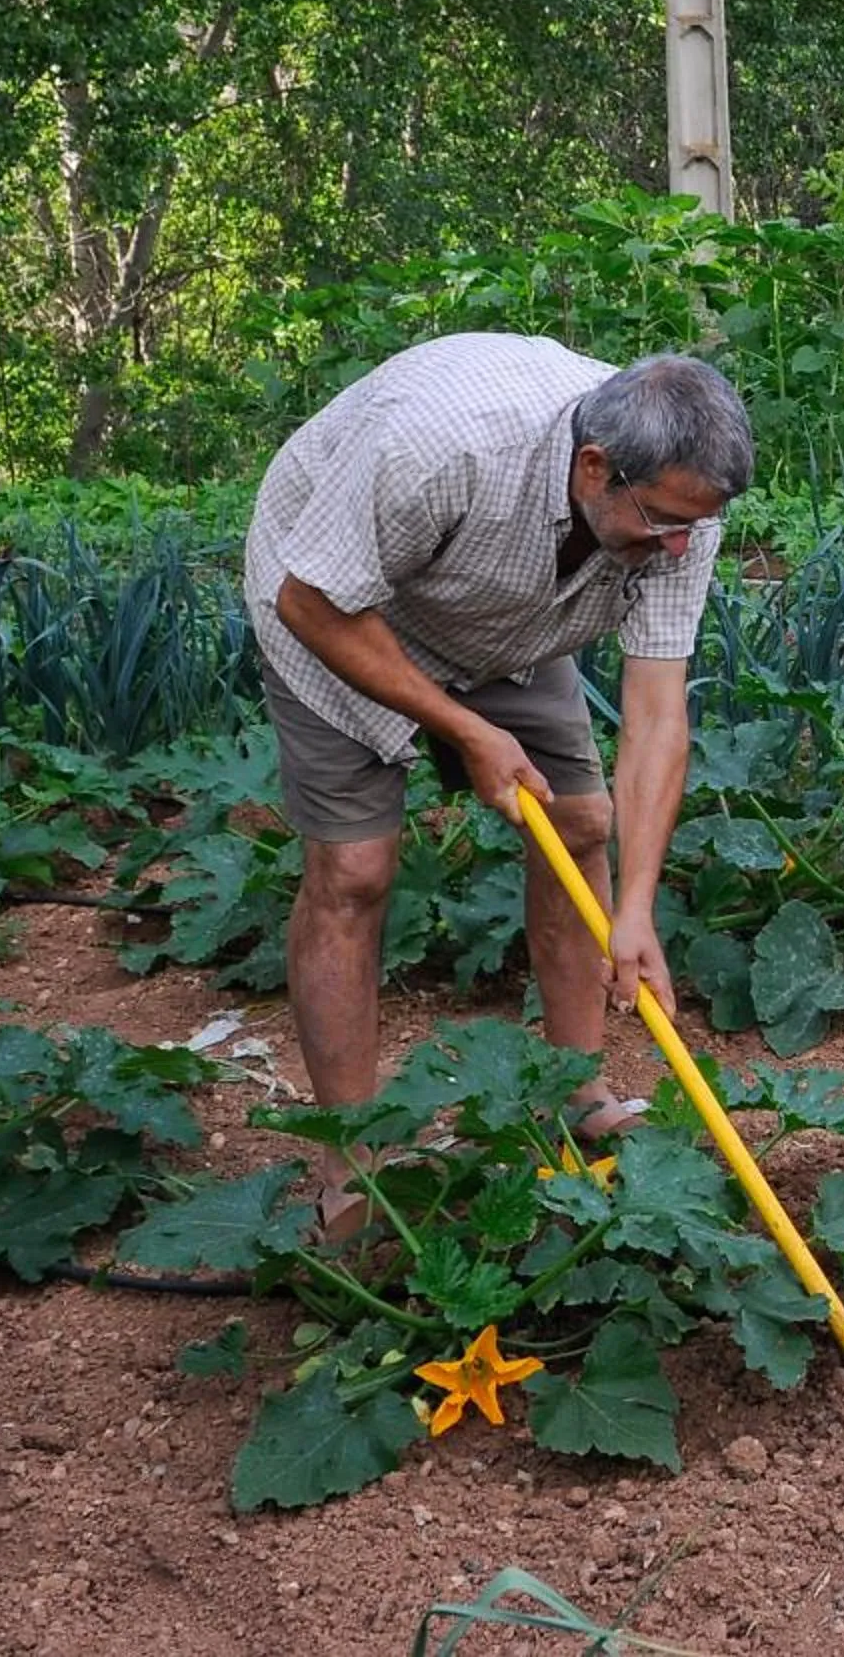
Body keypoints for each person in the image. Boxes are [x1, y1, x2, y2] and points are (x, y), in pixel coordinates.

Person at [243, 334, 752, 1230]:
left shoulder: (679, 511)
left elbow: (658, 713)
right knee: (355, 870)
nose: (682, 547)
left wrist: (636, 909)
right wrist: (465, 730)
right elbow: (312, 600)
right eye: (665, 522)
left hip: (511, 619)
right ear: (595, 468)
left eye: (695, 526)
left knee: (582, 826)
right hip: (339, 603)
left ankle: (578, 1093)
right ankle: (351, 1167)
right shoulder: (442, 448)